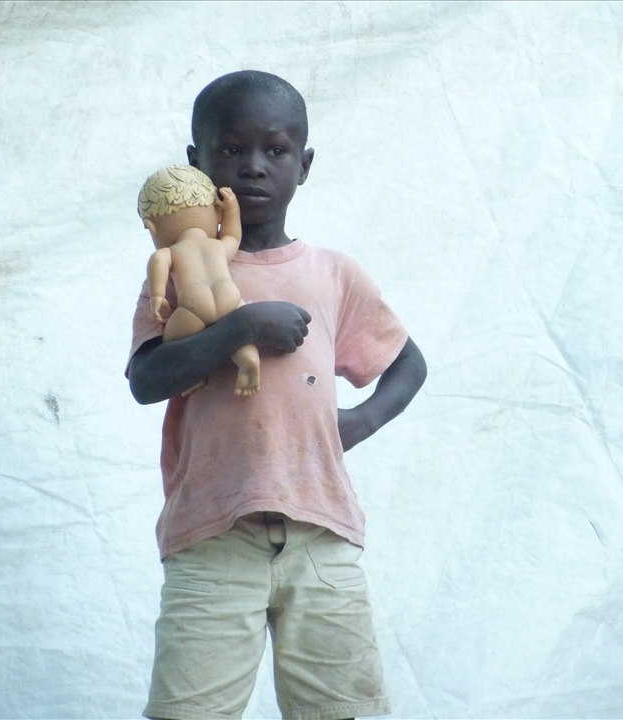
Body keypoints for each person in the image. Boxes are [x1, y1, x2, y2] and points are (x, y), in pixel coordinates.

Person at [127, 70, 427, 720]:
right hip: (213, 534)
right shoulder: (181, 271)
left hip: (322, 534)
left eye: (276, 151)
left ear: (305, 164)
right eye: (232, 150)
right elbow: (146, 380)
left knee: (341, 710)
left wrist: (353, 424)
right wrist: (240, 327)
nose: (254, 168)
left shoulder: (332, 274)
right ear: (197, 163)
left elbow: (407, 363)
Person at [137, 165, 260, 396]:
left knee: (173, 342)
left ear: (151, 227)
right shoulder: (218, 246)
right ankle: (248, 358)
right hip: (230, 297)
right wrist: (232, 209)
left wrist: (157, 296)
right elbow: (233, 235)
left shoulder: (172, 251)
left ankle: (190, 377)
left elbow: (158, 261)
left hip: (194, 305)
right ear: (217, 213)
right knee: (240, 337)